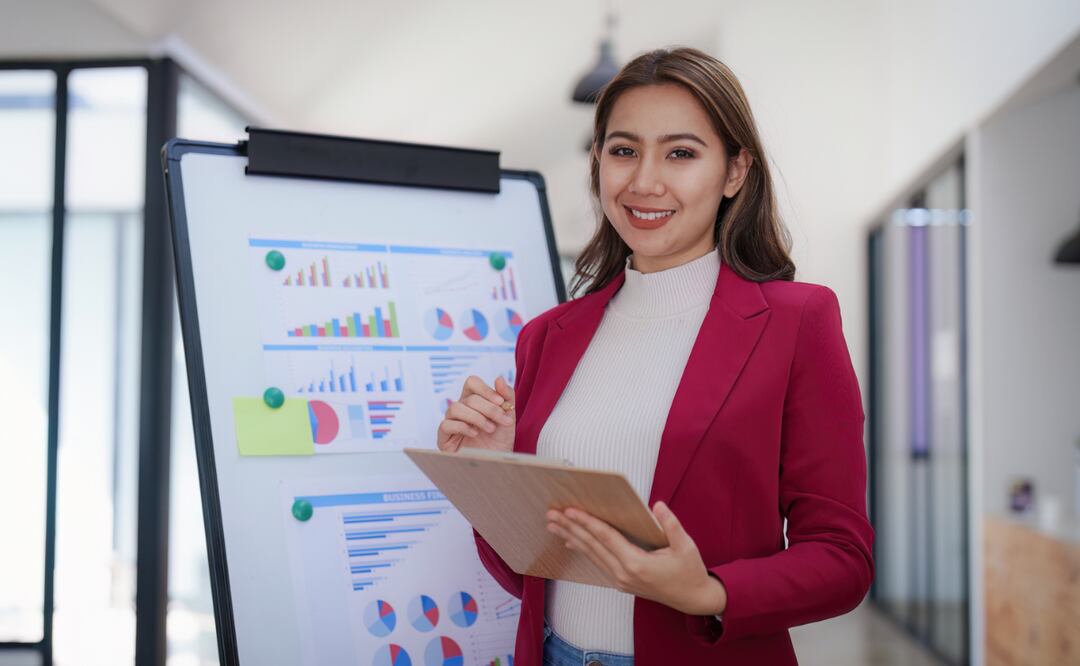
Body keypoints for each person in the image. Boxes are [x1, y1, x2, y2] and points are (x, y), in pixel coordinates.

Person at [436, 47, 873, 666]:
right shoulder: (548, 336)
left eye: (681, 153)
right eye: (623, 150)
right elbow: (535, 576)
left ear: (734, 171)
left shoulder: (797, 322)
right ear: (598, 163)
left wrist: (708, 592)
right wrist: (497, 475)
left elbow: (842, 558)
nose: (644, 181)